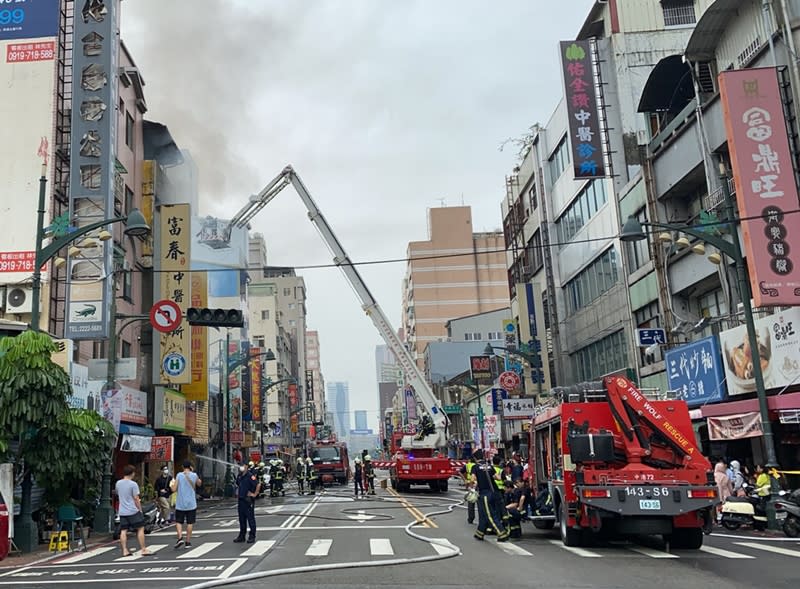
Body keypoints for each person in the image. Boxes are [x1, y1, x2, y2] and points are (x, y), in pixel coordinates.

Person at [115, 464, 152, 557]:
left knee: (123, 530)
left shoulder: (118, 483)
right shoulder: (133, 484)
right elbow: (136, 498)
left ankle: (124, 550)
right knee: (140, 528)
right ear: (132, 473)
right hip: (132, 510)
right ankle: (143, 549)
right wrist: (140, 509)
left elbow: (117, 494)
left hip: (122, 511)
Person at [472, 449, 509, 542]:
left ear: (475, 458)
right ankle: (480, 533)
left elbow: (473, 480)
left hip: (484, 494)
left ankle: (501, 533)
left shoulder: (475, 467)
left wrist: (469, 484)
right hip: (494, 493)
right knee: (483, 513)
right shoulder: (490, 466)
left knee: (490, 515)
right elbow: (498, 477)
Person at [171, 459, 201, 549]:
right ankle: (188, 542)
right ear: (190, 467)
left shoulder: (179, 475)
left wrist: (171, 485)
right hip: (191, 503)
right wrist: (193, 473)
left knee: (179, 521)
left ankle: (180, 537)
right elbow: (199, 484)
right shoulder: (194, 475)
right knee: (190, 522)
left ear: (183, 467)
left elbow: (174, 489)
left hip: (180, 503)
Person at [234, 462, 260, 543]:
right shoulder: (239, 476)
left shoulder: (250, 476)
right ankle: (242, 535)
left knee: (250, 518)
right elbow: (238, 484)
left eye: (242, 466)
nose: (241, 467)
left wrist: (254, 494)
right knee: (241, 519)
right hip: (241, 500)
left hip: (248, 500)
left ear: (246, 466)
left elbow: (258, 484)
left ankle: (252, 536)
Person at [459, 456, 477, 524]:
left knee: (471, 501)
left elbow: (460, 472)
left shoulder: (467, 465)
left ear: (469, 460)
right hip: (478, 484)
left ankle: (471, 518)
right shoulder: (477, 465)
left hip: (470, 484)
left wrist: (465, 480)